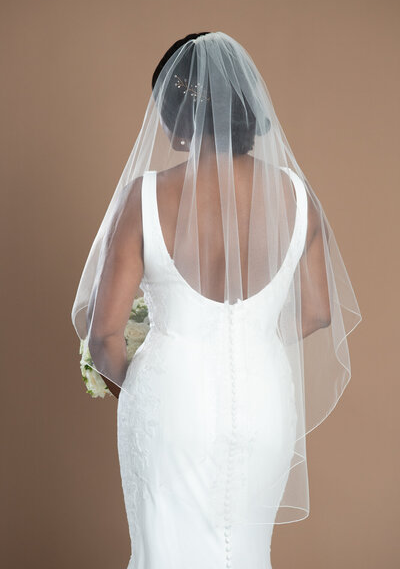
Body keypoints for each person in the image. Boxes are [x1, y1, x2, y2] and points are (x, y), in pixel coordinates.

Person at [71, 31, 362, 569]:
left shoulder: (146, 196)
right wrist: (247, 341)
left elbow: (104, 334)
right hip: (264, 401)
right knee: (246, 552)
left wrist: (138, 389)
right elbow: (320, 311)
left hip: (172, 402)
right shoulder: (297, 196)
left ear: (177, 114)